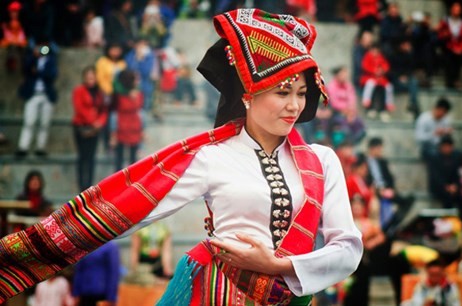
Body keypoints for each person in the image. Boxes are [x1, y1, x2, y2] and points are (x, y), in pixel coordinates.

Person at [0, 9, 362, 305]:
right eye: (283, 92)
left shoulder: (322, 160)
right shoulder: (212, 157)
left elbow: (347, 248)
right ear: (249, 94)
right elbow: (126, 210)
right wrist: (19, 256)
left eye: (301, 93)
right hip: (215, 294)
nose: (295, 105)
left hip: (292, 299)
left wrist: (278, 264)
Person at [15, 42, 58, 158]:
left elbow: (52, 75)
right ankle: (23, 147)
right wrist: (33, 56)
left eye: (44, 48)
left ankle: (40, 147)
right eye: (39, 48)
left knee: (44, 123)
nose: (41, 50)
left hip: (46, 95)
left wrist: (38, 71)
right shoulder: (32, 59)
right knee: (29, 122)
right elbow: (25, 68)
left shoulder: (51, 60)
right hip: (33, 94)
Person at [366, 137, 414, 233]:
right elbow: (366, 178)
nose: (380, 151)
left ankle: (393, 225)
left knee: (409, 200)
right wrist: (378, 189)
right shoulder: (365, 162)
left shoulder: (383, 162)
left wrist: (390, 189)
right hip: (374, 190)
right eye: (378, 148)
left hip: (386, 190)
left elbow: (390, 179)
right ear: (372, 148)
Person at [72, 66, 108, 191]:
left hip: (95, 128)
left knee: (92, 157)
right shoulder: (79, 91)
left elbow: (104, 109)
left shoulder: (99, 93)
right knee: (83, 157)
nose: (90, 80)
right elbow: (79, 108)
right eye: (88, 77)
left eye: (92, 77)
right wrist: (93, 122)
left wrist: (100, 122)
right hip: (81, 126)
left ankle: (89, 186)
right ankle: (81, 186)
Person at [427, 136, 462, 229]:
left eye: (449, 146)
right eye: (444, 146)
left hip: (452, 187)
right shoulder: (434, 158)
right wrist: (445, 186)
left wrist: (455, 186)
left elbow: (456, 175)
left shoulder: (455, 158)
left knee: (461, 198)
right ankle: (449, 223)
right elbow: (435, 177)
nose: (447, 149)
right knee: (448, 198)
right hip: (438, 187)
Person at [111, 69, 144, 171]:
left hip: (133, 127)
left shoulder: (137, 94)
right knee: (119, 159)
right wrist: (113, 133)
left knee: (133, 159)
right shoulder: (118, 95)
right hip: (122, 127)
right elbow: (114, 114)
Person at [72, 241, 120, 306]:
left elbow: (113, 273)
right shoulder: (85, 246)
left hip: (102, 294)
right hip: (84, 294)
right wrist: (75, 292)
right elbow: (79, 270)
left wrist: (111, 297)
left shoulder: (110, 246)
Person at [437, 2, 462, 89]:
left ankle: (455, 80)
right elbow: (439, 34)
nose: (456, 11)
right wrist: (445, 35)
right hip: (447, 46)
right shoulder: (446, 20)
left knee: (459, 56)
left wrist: (460, 48)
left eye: (458, 10)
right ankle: (449, 80)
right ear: (451, 10)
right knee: (449, 57)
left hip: (458, 47)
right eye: (455, 9)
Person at [360, 43, 395, 121]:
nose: (375, 52)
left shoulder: (380, 57)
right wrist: (374, 71)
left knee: (389, 87)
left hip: (380, 79)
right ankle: (366, 101)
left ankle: (388, 104)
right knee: (370, 84)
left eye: (377, 50)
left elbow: (386, 66)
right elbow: (365, 66)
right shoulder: (368, 56)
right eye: (374, 50)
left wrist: (382, 70)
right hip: (370, 77)